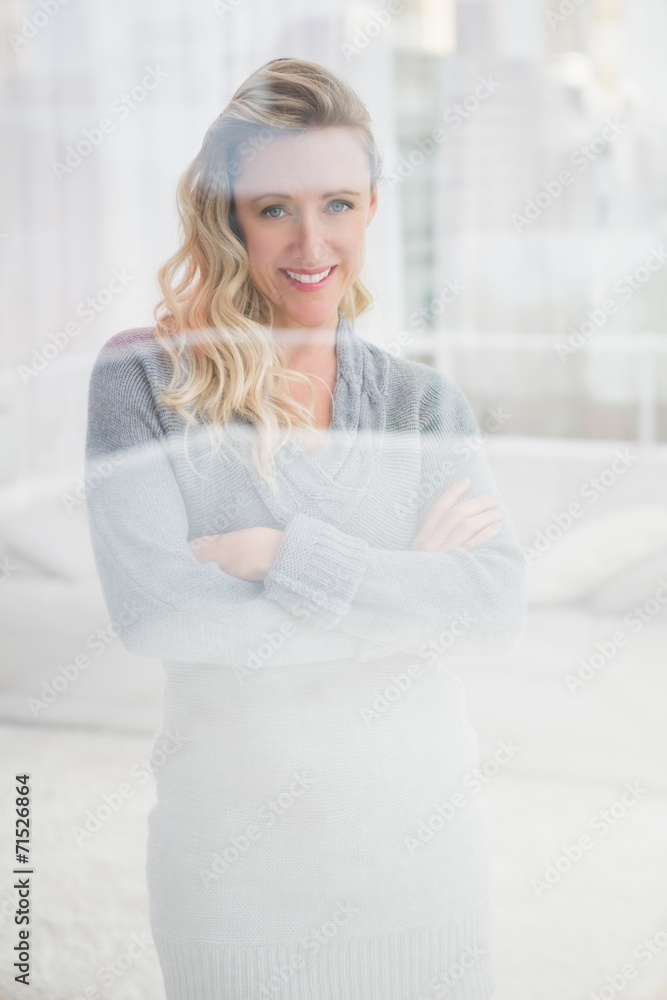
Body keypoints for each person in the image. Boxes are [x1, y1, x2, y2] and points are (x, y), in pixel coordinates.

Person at [85, 56, 526, 1000]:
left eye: (337, 204)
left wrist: (282, 556)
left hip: (421, 857)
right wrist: (402, 594)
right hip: (233, 867)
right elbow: (160, 617)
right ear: (227, 217)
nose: (310, 240)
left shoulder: (420, 402)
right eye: (274, 208)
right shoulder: (143, 382)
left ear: (372, 209)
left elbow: (492, 607)